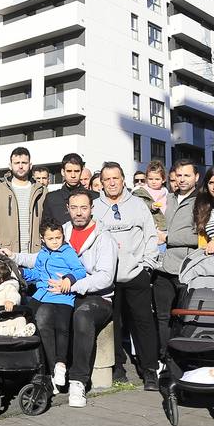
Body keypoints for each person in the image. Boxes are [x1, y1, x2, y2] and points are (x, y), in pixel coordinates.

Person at [38, 189, 117, 408]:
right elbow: (40, 258)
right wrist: (15, 257)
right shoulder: (60, 233)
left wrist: (73, 285)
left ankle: (78, 381)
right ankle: (54, 370)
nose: (79, 213)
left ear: (92, 208)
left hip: (97, 297)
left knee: (82, 315)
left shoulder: (104, 237)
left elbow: (105, 277)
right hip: (66, 293)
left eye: (84, 207)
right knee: (43, 313)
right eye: (74, 208)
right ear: (68, 209)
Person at [94, 163, 161, 390]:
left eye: (116, 178)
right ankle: (117, 369)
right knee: (112, 325)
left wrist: (147, 267)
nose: (112, 182)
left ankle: (149, 370)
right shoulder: (94, 207)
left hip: (135, 275)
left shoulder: (138, 205)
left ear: (123, 179)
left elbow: (151, 236)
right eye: (107, 179)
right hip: (107, 278)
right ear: (101, 183)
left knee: (143, 324)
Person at [11, 221, 88, 390]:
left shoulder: (67, 252)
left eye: (58, 237)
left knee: (62, 328)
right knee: (31, 320)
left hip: (62, 297)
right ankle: (42, 367)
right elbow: (38, 274)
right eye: (50, 238)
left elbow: (80, 270)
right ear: (43, 239)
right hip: (42, 295)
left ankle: (60, 364)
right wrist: (22, 273)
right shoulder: (43, 254)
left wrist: (69, 278)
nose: (55, 241)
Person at [156, 158, 200, 363]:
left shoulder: (202, 201)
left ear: (196, 177)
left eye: (187, 175)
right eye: (179, 175)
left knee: (184, 315)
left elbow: (201, 236)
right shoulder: (171, 198)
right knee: (162, 316)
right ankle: (165, 358)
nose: (182, 180)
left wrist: (168, 237)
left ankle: (183, 356)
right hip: (163, 266)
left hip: (186, 267)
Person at [0, 147, 48, 253]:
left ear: (30, 165)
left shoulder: (42, 191)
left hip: (35, 253)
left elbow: (47, 222)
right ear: (10, 165)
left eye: (24, 162)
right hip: (7, 252)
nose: (20, 166)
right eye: (16, 163)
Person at [44, 153, 99, 227]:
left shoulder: (95, 197)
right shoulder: (51, 198)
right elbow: (46, 227)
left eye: (76, 171)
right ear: (63, 172)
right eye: (69, 171)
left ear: (81, 171)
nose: (73, 175)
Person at [132, 159, 169, 251]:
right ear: (146, 179)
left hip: (165, 227)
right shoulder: (141, 191)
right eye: (150, 179)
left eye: (157, 179)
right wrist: (151, 206)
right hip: (149, 228)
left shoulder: (165, 192)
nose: (153, 182)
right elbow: (140, 203)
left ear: (163, 179)